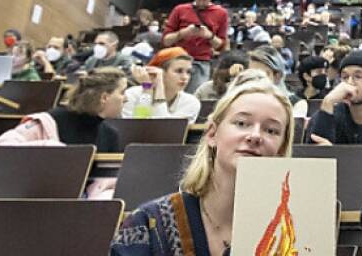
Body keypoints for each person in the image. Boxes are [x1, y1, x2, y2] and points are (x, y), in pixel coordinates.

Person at [111, 74, 296, 256]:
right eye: (242, 123)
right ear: (212, 134)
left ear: (281, 149)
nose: (255, 136)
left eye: (271, 130)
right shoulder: (149, 223)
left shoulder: (297, 229)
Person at [306, 50, 362, 145]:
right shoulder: (327, 113)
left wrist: (336, 155)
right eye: (345, 77)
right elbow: (314, 154)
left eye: (358, 76)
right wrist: (328, 101)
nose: (350, 82)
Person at [163, 0, 229, 94]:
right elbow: (166, 41)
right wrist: (183, 33)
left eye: (204, 0)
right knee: (172, 94)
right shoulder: (180, 9)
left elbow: (221, 46)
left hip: (201, 62)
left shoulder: (221, 13)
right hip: (178, 59)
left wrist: (209, 35)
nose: (201, 3)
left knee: (196, 96)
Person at [40, 68, 127, 151]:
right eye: (122, 92)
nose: (126, 99)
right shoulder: (51, 121)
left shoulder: (110, 135)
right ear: (104, 97)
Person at [124, 48, 200, 123]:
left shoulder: (191, 102)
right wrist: (147, 89)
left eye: (189, 72)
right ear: (157, 72)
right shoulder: (131, 95)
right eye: (179, 71)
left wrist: (159, 88)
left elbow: (164, 128)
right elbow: (138, 124)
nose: (185, 77)